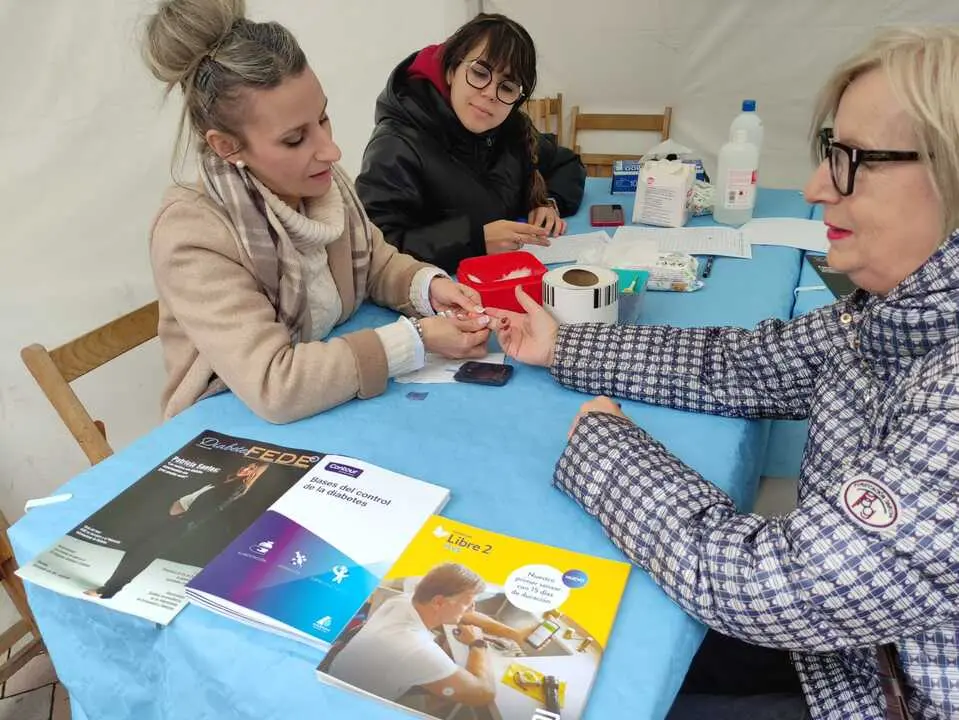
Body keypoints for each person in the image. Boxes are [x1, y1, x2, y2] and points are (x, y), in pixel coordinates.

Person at [486, 27, 959, 720]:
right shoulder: (893, 316)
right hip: (849, 654)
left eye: (852, 160)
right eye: (829, 152)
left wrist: (605, 449)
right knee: (596, 640)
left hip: (879, 697)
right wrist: (565, 348)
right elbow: (739, 364)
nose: (815, 187)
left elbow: (763, 582)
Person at [144, 0, 491, 424]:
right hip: (230, 425)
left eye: (323, 118)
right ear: (226, 146)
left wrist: (427, 288)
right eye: (294, 139)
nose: (331, 150)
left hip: (324, 405)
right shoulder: (193, 235)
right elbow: (276, 385)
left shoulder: (321, 184)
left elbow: (376, 264)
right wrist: (413, 340)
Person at [355, 13, 587, 273]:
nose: (489, 94)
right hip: (436, 297)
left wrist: (548, 201)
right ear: (451, 70)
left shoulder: (512, 130)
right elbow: (376, 246)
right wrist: (475, 240)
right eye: (479, 73)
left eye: (507, 87)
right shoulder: (396, 145)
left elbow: (567, 163)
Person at [328, 563, 528, 707]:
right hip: (352, 708)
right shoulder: (417, 649)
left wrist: (511, 633)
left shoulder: (403, 601)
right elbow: (483, 694)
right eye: (468, 602)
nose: (472, 608)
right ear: (439, 602)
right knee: (446, 697)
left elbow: (464, 615)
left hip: (338, 681)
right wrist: (477, 644)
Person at [86, 461, 269, 599]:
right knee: (135, 550)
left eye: (253, 470)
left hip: (180, 525)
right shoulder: (223, 481)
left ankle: (108, 591)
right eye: (249, 465)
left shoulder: (235, 489)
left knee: (140, 555)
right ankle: (110, 587)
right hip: (170, 518)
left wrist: (185, 520)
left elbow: (212, 509)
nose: (247, 469)